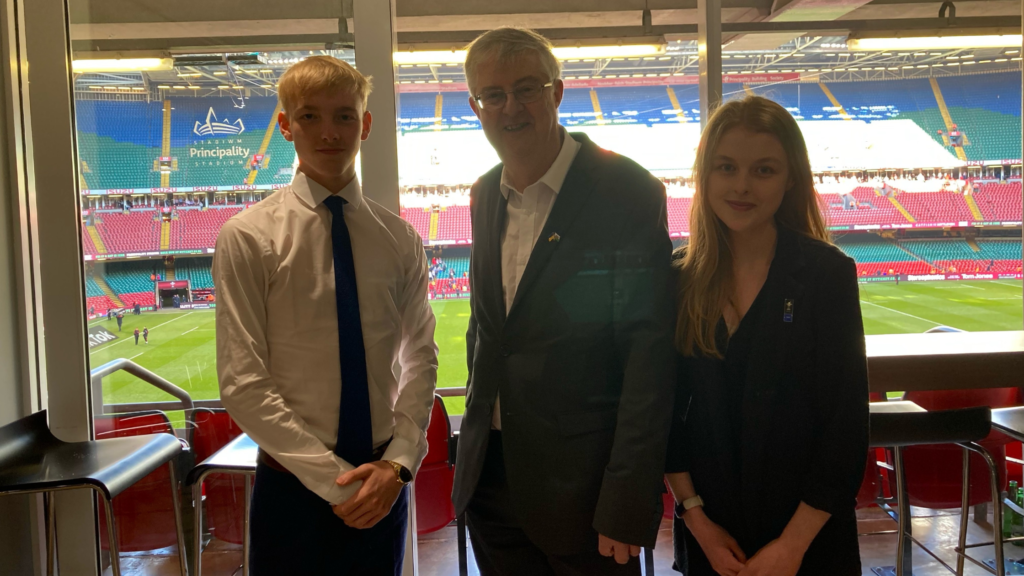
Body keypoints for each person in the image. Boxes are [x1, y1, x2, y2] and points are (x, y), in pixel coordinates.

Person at [452, 27, 676, 575]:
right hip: (492, 484)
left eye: (527, 88)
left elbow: (649, 357)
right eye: (494, 95)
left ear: (557, 92)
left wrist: (626, 499)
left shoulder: (626, 190)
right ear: (476, 105)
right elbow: (488, 333)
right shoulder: (484, 192)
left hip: (587, 492)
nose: (511, 107)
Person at [213, 55, 439, 576]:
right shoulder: (250, 237)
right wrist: (334, 482)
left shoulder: (399, 239)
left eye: (343, 115)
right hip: (294, 484)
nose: (328, 131)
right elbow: (243, 381)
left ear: (365, 124)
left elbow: (420, 358)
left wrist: (398, 464)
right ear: (286, 126)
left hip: (383, 481)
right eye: (309, 116)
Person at [665, 96, 869, 576]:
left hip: (809, 543)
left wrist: (790, 547)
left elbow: (844, 427)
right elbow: (665, 414)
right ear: (705, 174)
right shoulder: (678, 279)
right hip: (713, 539)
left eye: (763, 170)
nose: (741, 186)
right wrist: (697, 522)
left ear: (790, 178)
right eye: (726, 167)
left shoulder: (826, 275)